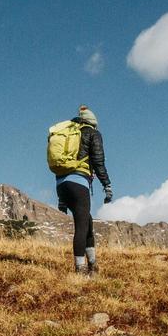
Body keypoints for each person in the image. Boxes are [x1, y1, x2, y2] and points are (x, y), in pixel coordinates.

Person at [54, 105, 112, 275]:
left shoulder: (68, 134)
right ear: (93, 123)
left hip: (61, 184)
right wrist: (107, 185)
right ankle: (80, 270)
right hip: (78, 183)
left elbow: (61, 163)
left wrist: (62, 199)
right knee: (81, 226)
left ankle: (93, 266)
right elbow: (98, 161)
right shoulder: (92, 133)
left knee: (87, 223)